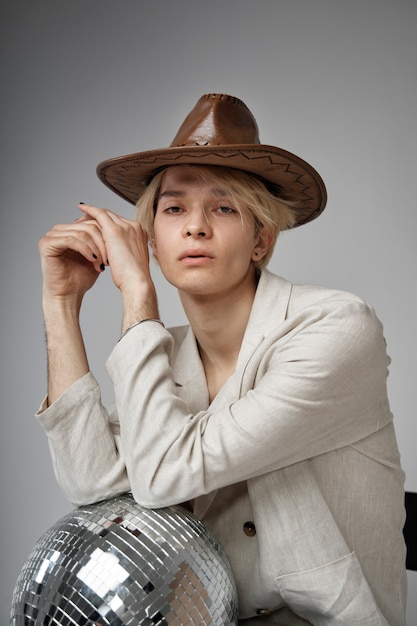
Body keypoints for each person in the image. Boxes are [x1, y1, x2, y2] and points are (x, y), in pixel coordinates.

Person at [37, 93, 407, 625]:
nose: (195, 226)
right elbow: (91, 480)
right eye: (174, 208)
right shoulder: (171, 357)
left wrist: (138, 295)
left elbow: (163, 474)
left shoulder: (337, 328)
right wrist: (62, 304)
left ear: (261, 240)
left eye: (224, 207)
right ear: (154, 242)